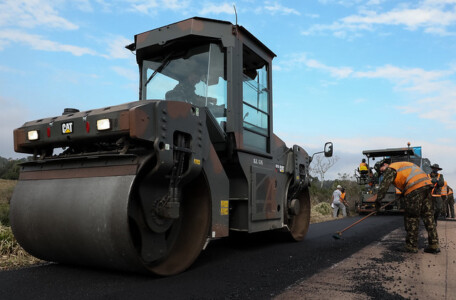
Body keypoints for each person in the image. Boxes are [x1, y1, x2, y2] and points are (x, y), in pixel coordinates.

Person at [373, 160, 439, 254]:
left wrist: (378, 201)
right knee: (428, 216)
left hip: (415, 188)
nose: (382, 173)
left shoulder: (391, 168)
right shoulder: (402, 165)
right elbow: (408, 179)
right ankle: (434, 245)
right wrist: (403, 193)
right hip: (426, 186)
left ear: (384, 164)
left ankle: (411, 246)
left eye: (381, 170)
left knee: (412, 217)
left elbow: (384, 186)